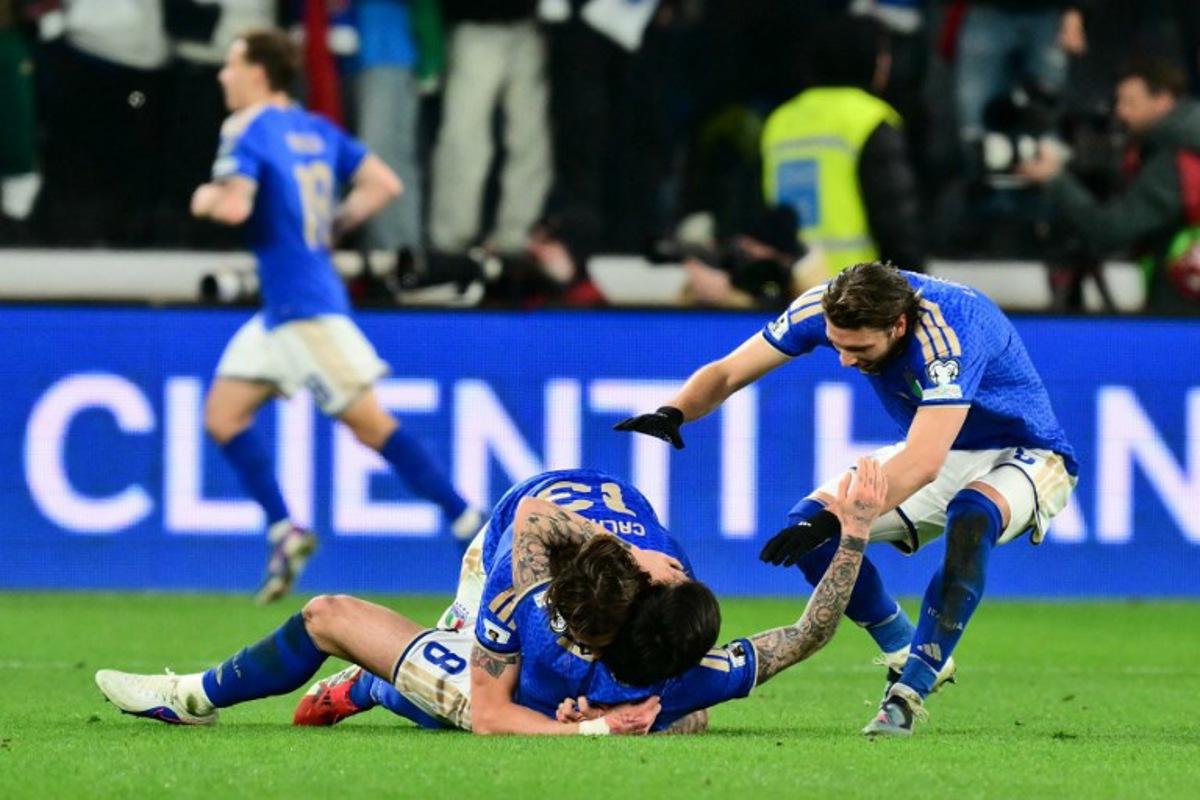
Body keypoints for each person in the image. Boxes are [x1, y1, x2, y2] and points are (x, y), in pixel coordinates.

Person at [615, 262, 1078, 736]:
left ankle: (911, 686)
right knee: (809, 530)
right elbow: (731, 370)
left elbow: (922, 462)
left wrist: (837, 521)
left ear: (898, 325)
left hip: (1028, 452)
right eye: (836, 345)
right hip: (944, 441)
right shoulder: (825, 304)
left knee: (972, 515)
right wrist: (676, 410)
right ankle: (902, 646)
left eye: (859, 349)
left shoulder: (949, 336)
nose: (845, 360)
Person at [95, 460, 886, 734]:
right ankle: (198, 694)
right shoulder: (525, 597)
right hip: (511, 533)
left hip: (589, 559)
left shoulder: (679, 653)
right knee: (453, 681)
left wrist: (853, 535)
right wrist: (597, 731)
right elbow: (538, 521)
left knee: (685, 719)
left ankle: (374, 683)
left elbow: (808, 633)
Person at [189, 30, 480, 603]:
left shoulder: (246, 127)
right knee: (223, 417)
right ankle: (284, 528)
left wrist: (203, 197)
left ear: (256, 72)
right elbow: (383, 184)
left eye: (231, 64)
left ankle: (470, 523)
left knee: (372, 427)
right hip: (283, 308)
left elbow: (234, 204)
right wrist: (330, 228)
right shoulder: (316, 130)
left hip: (305, 308)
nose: (222, 75)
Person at [1020, 57, 1200, 314]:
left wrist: (1056, 180)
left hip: (1181, 306)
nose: (1121, 112)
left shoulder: (1174, 160)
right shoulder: (1183, 141)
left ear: (1162, 101)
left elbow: (1111, 230)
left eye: (1130, 103)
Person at [760, 16, 923, 278]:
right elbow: (895, 223)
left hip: (795, 291)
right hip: (860, 298)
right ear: (867, 56)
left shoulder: (779, 122)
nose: (886, 64)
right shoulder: (870, 119)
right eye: (882, 54)